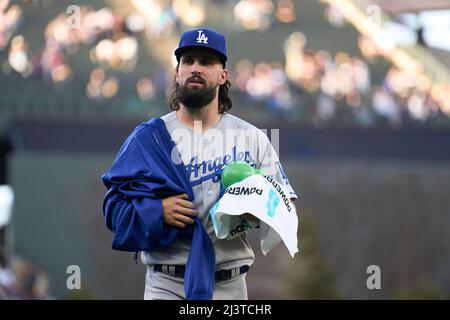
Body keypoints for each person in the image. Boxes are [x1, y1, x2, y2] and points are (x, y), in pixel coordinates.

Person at [101, 27, 297, 300]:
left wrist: (256, 208)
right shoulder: (149, 138)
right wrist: (156, 211)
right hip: (165, 283)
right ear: (177, 72)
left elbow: (285, 203)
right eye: (188, 60)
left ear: (223, 75)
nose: (196, 68)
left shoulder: (252, 138)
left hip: (230, 284)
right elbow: (113, 210)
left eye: (206, 62)